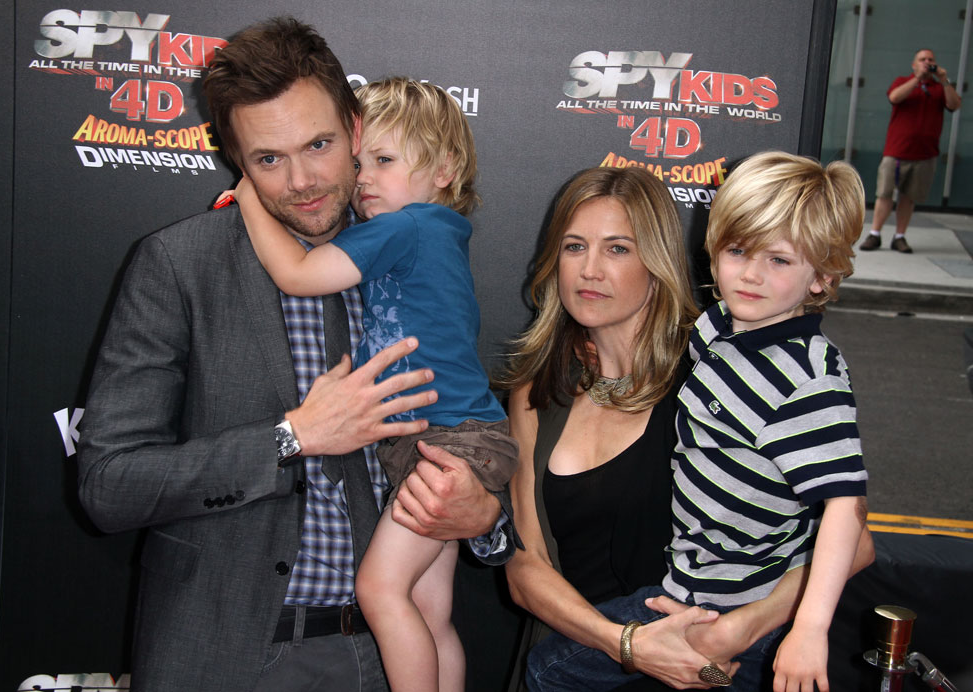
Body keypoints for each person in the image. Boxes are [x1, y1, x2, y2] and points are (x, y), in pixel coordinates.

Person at [77, 18, 510, 692]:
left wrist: (484, 517)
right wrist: (291, 436)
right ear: (236, 160)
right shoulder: (178, 264)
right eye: (269, 160)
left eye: (319, 145)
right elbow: (110, 486)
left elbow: (463, 429)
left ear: (355, 129)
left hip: (380, 661)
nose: (303, 180)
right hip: (222, 662)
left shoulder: (406, 250)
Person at [523, 153, 871, 692]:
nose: (590, 269)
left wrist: (765, 626)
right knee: (545, 670)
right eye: (574, 246)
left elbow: (855, 529)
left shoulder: (770, 369)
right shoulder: (712, 338)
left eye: (617, 248)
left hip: (726, 622)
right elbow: (524, 565)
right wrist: (629, 645)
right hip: (639, 615)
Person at [233, 76, 519, 692]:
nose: (364, 179)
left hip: (448, 443)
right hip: (452, 439)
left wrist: (250, 198)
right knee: (430, 611)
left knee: (380, 589)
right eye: (359, 163)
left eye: (385, 161)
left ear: (444, 169)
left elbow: (298, 274)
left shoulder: (408, 227)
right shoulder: (433, 231)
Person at [861, 48, 962, 254]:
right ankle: (874, 234)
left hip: (925, 154)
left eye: (930, 59)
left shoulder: (939, 87)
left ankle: (900, 236)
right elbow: (894, 97)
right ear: (914, 64)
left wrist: (944, 80)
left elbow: (954, 105)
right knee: (884, 193)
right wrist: (917, 79)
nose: (927, 62)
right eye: (922, 59)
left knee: (909, 197)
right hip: (896, 151)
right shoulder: (902, 81)